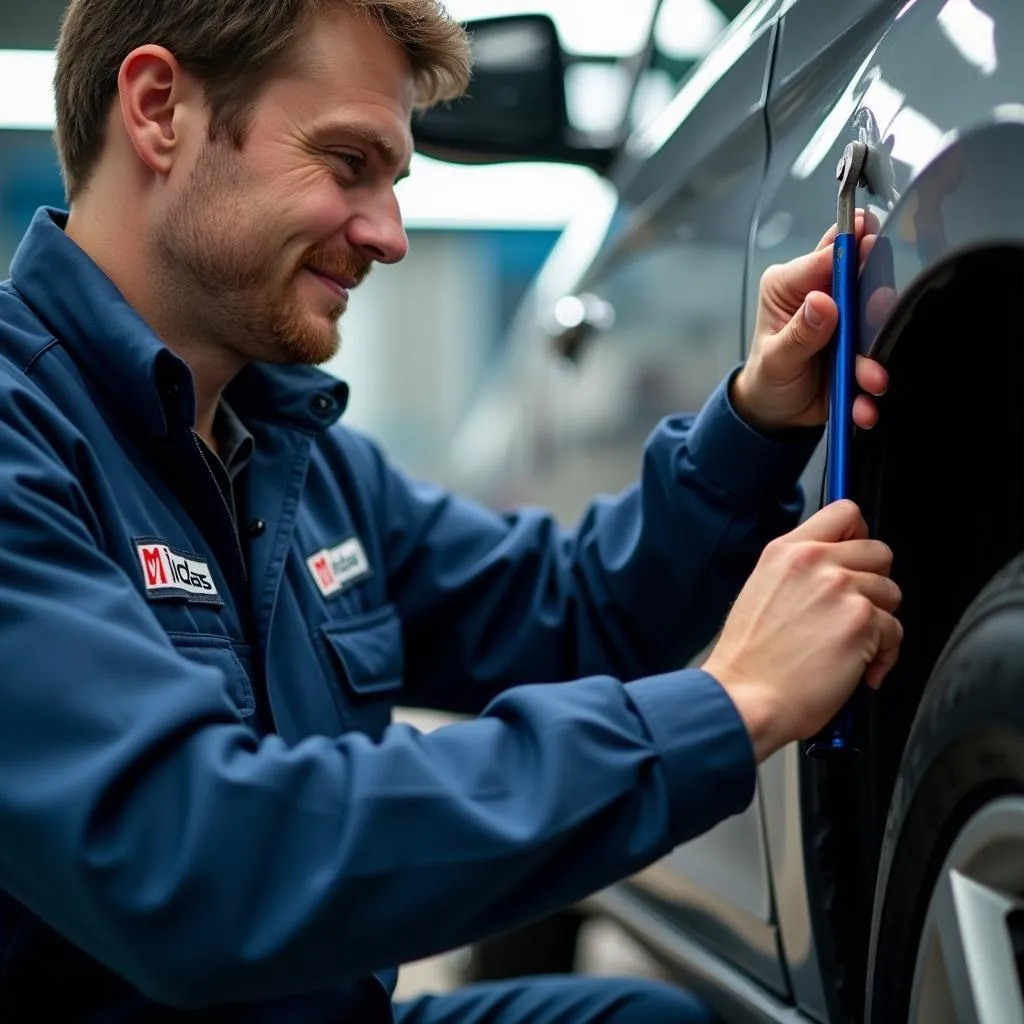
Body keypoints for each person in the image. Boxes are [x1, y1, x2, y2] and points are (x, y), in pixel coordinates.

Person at [0, 0, 900, 1021]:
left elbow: (575, 615)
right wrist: (729, 706)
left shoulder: (294, 459)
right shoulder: (18, 442)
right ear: (160, 108)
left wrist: (752, 424)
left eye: (394, 183)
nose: (388, 235)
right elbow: (200, 858)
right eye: (348, 162)